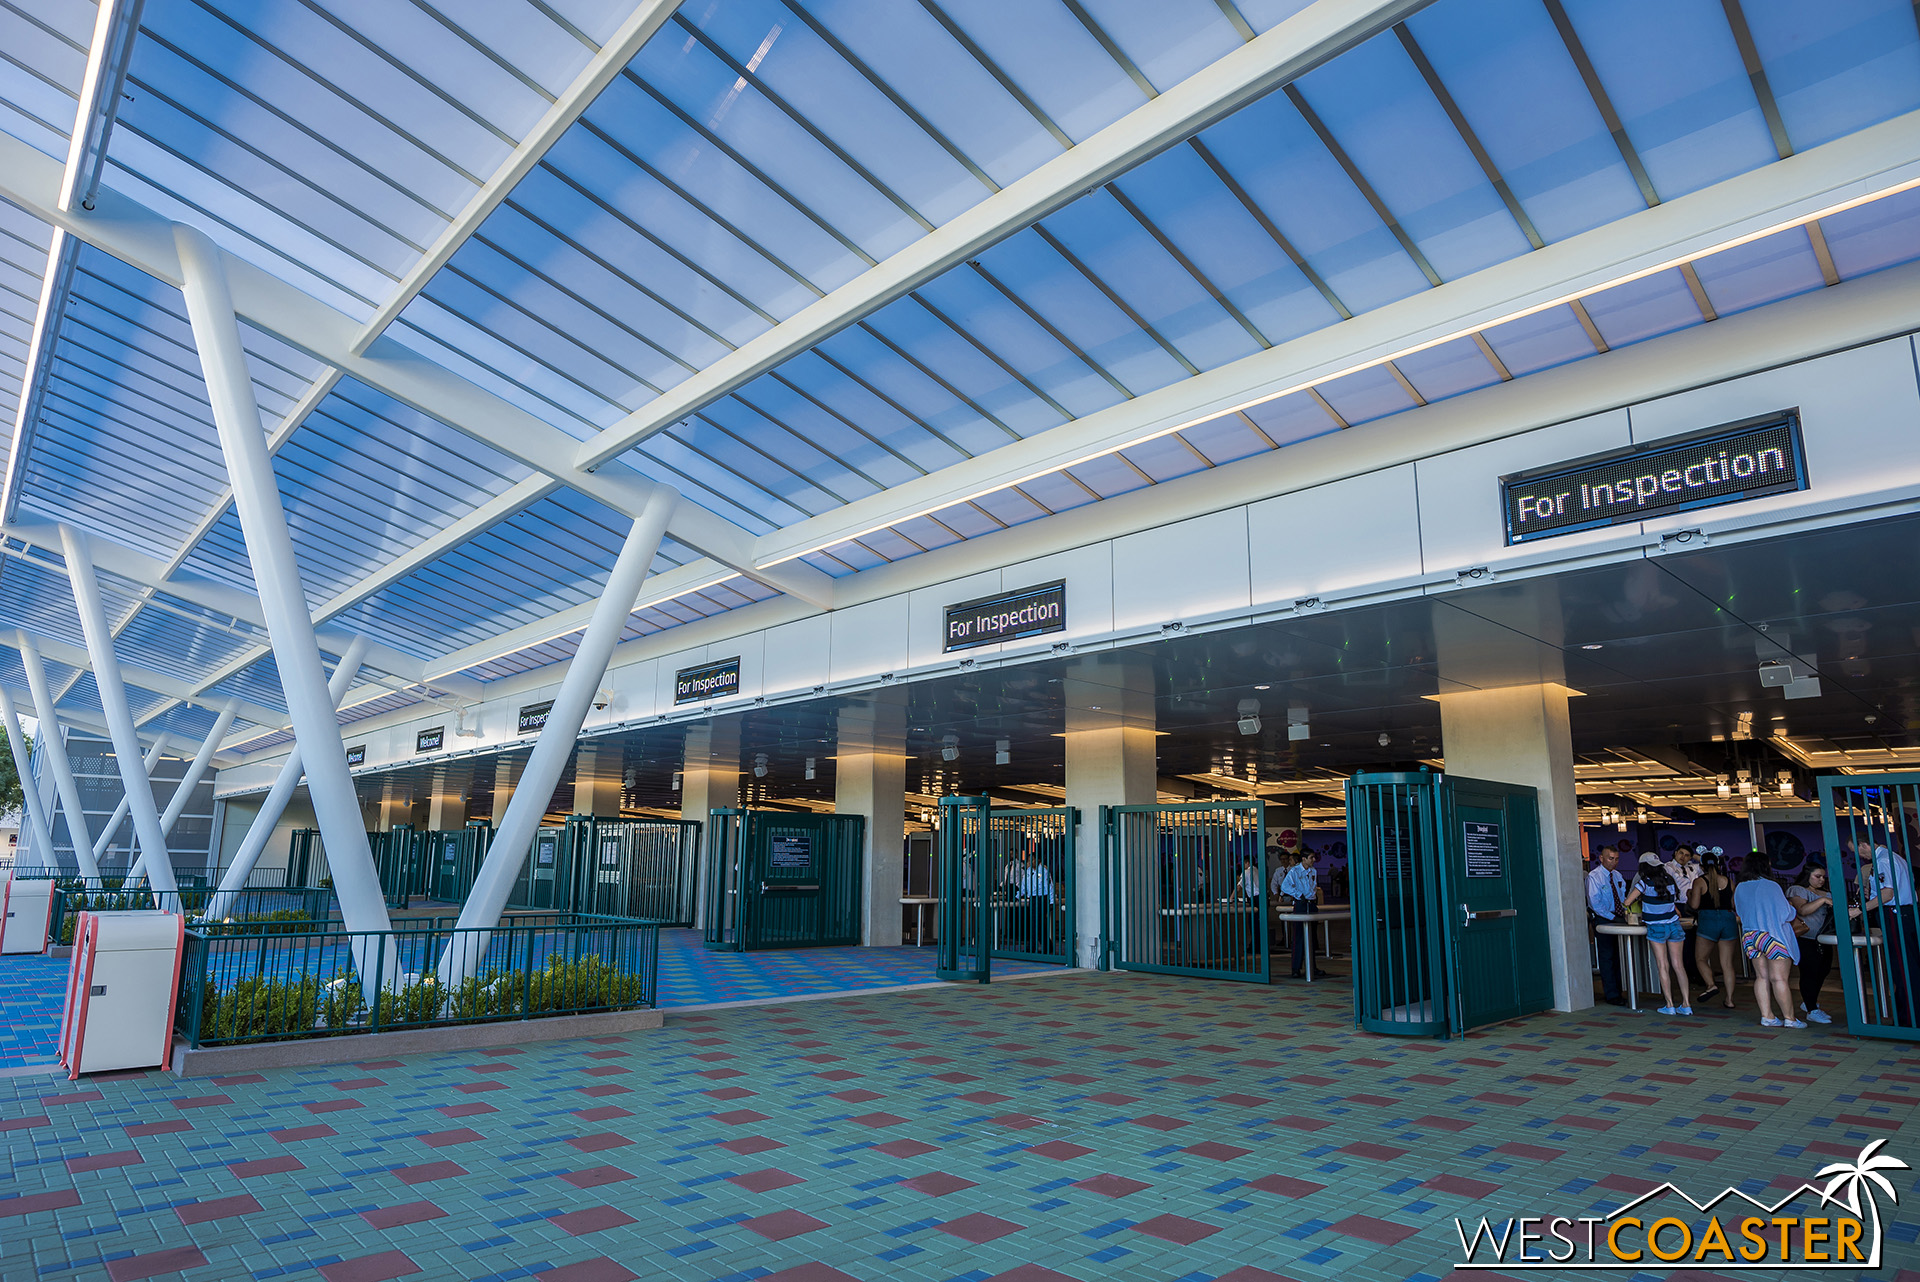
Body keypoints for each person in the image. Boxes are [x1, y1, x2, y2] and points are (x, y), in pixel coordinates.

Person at [1853, 835, 1920, 1025]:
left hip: (1895, 914)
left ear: (1864, 844)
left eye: (1856, 850)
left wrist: (1859, 910)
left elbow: (1888, 894)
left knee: (1903, 968)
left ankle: (1909, 1019)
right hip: (1906, 914)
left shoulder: (1882, 861)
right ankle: (1907, 1015)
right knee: (1909, 966)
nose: (1858, 855)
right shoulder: (1895, 858)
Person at [1733, 866, 1803, 1028]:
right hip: (1772, 936)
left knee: (1761, 977)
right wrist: (1792, 907)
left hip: (1750, 936)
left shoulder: (1740, 887)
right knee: (1779, 978)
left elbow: (1739, 911)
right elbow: (1787, 913)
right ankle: (1790, 1019)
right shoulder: (1771, 885)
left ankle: (1767, 1017)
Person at [1625, 854, 1690, 1015]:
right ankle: (1686, 1004)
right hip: (1674, 925)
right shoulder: (1670, 881)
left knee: (1663, 965)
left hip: (1656, 927)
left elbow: (1627, 902)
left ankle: (1669, 1005)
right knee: (1679, 965)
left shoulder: (1644, 883)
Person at [1787, 862, 1851, 1024]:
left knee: (1823, 970)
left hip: (1824, 937)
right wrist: (1823, 900)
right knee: (1809, 972)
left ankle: (1810, 1001)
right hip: (1805, 938)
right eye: (1817, 876)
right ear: (1808, 876)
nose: (1821, 879)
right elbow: (1802, 910)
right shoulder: (1798, 890)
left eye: (1823, 877)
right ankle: (1811, 1008)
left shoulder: (1826, 893)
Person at [1688, 852, 1739, 1009]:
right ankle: (1729, 1000)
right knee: (1727, 964)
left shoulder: (1699, 882)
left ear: (1701, 866)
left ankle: (1711, 985)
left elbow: (1695, 905)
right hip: (1728, 920)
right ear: (1718, 865)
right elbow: (1734, 904)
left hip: (1708, 921)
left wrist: (1689, 895)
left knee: (1701, 959)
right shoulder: (1728, 881)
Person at [1586, 847, 1628, 1006]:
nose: (1614, 862)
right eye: (1610, 858)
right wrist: (1613, 917)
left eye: (1616, 858)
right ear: (1601, 858)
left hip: (1618, 917)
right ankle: (1611, 994)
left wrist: (1623, 914)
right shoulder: (1594, 876)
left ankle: (1619, 990)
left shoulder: (1617, 875)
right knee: (1607, 956)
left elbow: (1622, 896)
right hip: (1604, 918)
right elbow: (1594, 903)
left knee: (1618, 956)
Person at [1279, 849, 1319, 980]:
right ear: (1304, 859)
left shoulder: (1313, 871)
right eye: (1311, 857)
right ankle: (1296, 968)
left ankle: (1312, 966)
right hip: (1301, 904)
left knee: (1312, 937)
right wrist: (1298, 895)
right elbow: (1285, 886)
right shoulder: (1295, 871)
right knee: (1299, 937)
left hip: (1311, 904)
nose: (1314, 860)